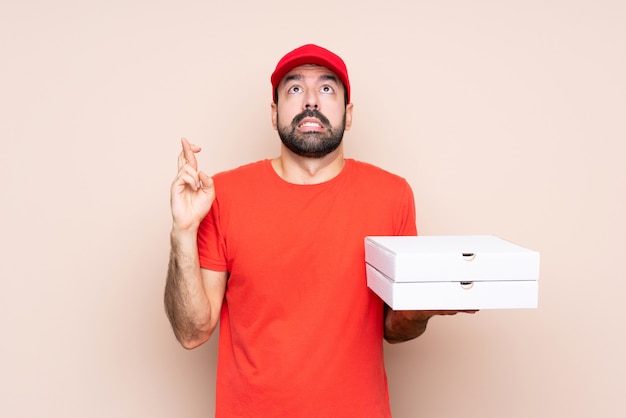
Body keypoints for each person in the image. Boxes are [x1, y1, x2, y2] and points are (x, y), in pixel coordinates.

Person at [165, 44, 474, 417]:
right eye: (294, 89)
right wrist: (182, 231)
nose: (310, 101)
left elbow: (394, 328)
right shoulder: (223, 195)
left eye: (327, 89)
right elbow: (192, 332)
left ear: (349, 112)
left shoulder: (392, 195)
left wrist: (424, 308)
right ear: (274, 111)